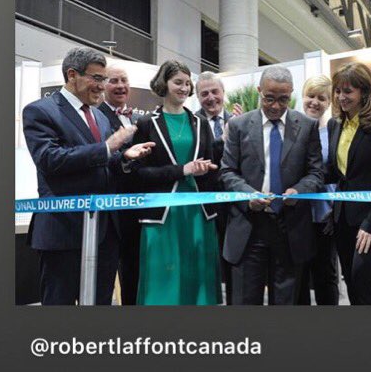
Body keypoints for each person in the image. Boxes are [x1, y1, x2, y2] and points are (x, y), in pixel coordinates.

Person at [22, 47, 155, 305]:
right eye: (97, 78)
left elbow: (102, 164)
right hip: (63, 231)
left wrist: (124, 157)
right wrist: (108, 147)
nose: (102, 86)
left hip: (104, 232)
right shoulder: (40, 111)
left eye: (104, 79)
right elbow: (49, 159)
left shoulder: (99, 118)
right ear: (72, 75)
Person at [220, 65, 324, 305]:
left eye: (283, 99)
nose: (276, 106)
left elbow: (316, 172)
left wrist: (299, 191)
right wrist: (248, 195)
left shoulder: (306, 126)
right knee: (245, 303)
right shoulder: (239, 126)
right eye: (269, 98)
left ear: (291, 94)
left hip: (289, 229)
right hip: (249, 227)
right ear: (259, 91)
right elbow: (227, 172)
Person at [126, 60, 222, 305]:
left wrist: (207, 169)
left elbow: (212, 168)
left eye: (187, 83)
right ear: (164, 84)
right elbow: (139, 174)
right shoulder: (147, 124)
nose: (184, 88)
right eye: (178, 82)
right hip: (162, 213)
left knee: (197, 278)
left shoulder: (200, 124)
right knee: (163, 282)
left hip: (198, 213)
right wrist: (183, 170)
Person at [327, 62, 371, 305]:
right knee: (350, 280)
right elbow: (335, 173)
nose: (341, 97)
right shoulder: (335, 124)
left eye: (348, 91)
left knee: (362, 278)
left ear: (364, 92)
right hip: (342, 218)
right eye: (338, 91)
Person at [194, 71, 242, 305]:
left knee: (235, 261)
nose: (211, 98)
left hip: (237, 204)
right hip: (205, 204)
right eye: (204, 94)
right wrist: (222, 139)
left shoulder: (240, 121)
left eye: (215, 92)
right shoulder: (191, 121)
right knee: (208, 260)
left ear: (223, 93)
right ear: (197, 97)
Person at [98, 65, 141, 305]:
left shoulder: (134, 118)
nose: (121, 85)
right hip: (112, 208)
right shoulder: (97, 115)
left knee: (133, 271)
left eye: (124, 80)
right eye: (114, 80)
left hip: (137, 207)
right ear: (103, 85)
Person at [297, 75, 339, 305]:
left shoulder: (334, 132)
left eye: (321, 98)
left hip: (325, 214)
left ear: (329, 102)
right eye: (310, 96)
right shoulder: (290, 130)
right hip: (297, 214)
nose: (314, 102)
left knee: (326, 274)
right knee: (299, 274)